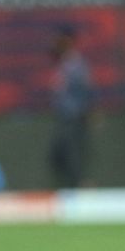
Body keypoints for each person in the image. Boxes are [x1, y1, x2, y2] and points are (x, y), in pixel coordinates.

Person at [49, 24, 94, 188]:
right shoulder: (64, 62)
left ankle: (81, 185)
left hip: (74, 115)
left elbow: (85, 89)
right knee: (60, 153)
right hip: (65, 114)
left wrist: (86, 111)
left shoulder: (76, 63)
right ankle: (72, 184)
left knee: (72, 151)